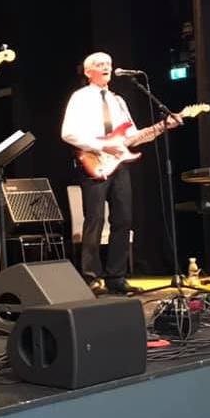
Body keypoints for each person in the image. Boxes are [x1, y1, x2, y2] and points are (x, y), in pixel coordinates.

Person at [61, 51, 178, 294]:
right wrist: (102, 146)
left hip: (119, 164)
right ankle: (91, 277)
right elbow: (68, 133)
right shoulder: (80, 98)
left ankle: (116, 276)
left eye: (109, 64)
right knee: (94, 220)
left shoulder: (118, 101)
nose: (106, 67)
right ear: (88, 72)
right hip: (94, 162)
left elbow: (131, 137)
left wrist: (162, 127)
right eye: (100, 64)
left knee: (123, 220)